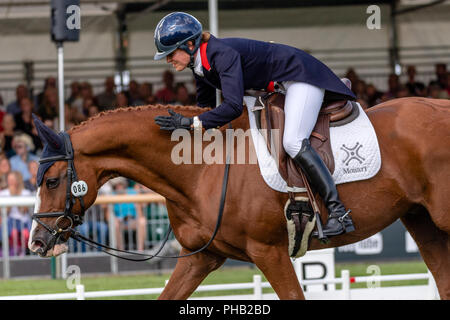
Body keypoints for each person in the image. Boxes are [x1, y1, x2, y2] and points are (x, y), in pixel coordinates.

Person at [153, 12, 356, 237]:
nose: (168, 60)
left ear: (190, 44)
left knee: (293, 142)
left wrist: (191, 123)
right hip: (281, 86)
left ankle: (338, 213)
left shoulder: (221, 54)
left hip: (300, 78)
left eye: (171, 53)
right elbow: (206, 107)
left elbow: (231, 107)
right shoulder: (200, 65)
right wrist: (187, 126)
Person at [0, 171, 33, 256]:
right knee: (11, 229)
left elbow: (23, 211)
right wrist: (11, 195)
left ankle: (24, 251)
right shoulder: (3, 193)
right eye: (9, 180)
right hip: (9, 222)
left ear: (18, 180)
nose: (10, 182)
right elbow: (5, 213)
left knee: (26, 232)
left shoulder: (26, 192)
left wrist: (16, 195)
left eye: (12, 180)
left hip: (23, 222)